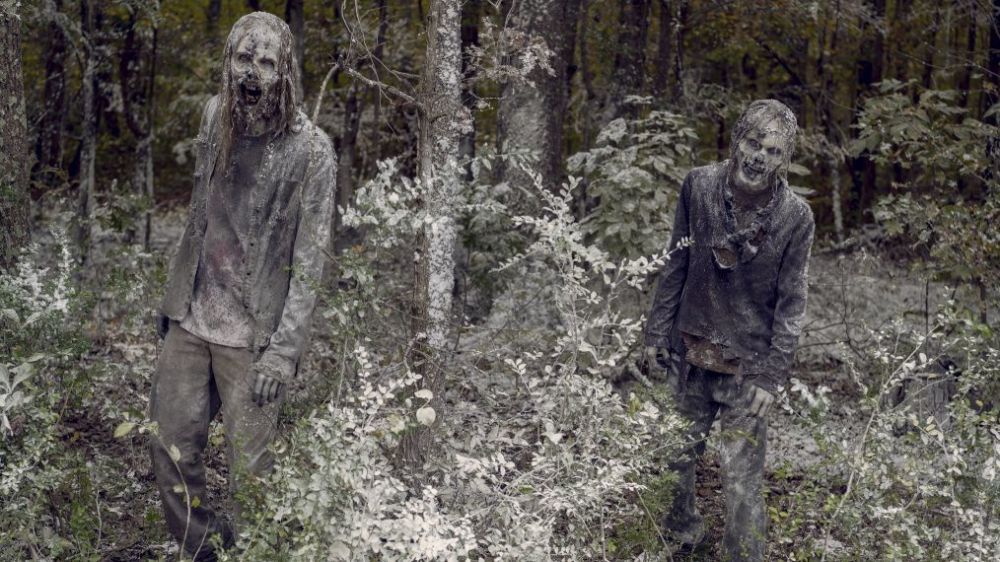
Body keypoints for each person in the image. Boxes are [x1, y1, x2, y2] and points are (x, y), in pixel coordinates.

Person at [149, 12, 336, 561]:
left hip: (254, 337)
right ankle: (203, 549)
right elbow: (199, 212)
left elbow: (311, 261)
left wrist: (284, 353)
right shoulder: (214, 116)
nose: (252, 73)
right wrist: (174, 295)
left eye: (267, 62)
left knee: (251, 473)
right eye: (243, 58)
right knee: (169, 446)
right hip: (193, 317)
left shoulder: (311, 151)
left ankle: (256, 552)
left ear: (286, 71)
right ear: (228, 60)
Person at [644, 99, 814, 561]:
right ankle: (684, 539)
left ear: (785, 159)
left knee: (741, 481)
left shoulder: (795, 216)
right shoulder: (699, 186)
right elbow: (676, 262)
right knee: (675, 457)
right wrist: (657, 334)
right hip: (689, 353)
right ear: (737, 139)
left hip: (748, 368)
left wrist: (771, 377)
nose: (759, 157)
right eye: (754, 143)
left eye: (773, 151)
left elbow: (792, 304)